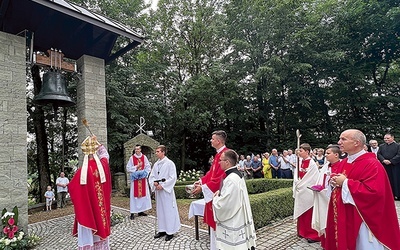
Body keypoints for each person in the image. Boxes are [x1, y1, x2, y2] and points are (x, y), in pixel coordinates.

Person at [325, 129, 400, 250]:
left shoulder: (372, 164)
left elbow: (374, 193)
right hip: (344, 213)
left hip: (362, 218)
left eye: (343, 139)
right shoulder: (344, 161)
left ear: (357, 143)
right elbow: (339, 181)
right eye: (340, 139)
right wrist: (334, 181)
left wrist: (345, 183)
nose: (339, 142)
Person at [69, 135, 112, 249]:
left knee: (89, 223)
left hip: (88, 209)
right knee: (100, 223)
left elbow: (72, 188)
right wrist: (98, 143)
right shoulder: (103, 166)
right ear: (95, 152)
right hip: (100, 207)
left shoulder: (81, 172)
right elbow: (105, 155)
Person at [192, 130, 229, 250]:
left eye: (212, 139)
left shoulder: (225, 155)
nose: (210, 141)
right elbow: (211, 173)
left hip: (220, 194)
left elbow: (220, 178)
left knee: (220, 226)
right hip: (213, 193)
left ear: (218, 141)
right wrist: (202, 181)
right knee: (215, 228)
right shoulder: (218, 154)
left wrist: (202, 188)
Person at [213, 149, 256, 250]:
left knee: (233, 246)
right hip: (239, 213)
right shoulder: (236, 175)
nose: (219, 163)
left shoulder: (231, 179)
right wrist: (220, 193)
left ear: (227, 162)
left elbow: (225, 205)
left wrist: (215, 198)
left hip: (234, 219)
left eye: (220, 160)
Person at [311, 144, 341, 249]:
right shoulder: (326, 166)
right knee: (324, 220)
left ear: (336, 154)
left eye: (328, 153)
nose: (325, 156)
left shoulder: (342, 165)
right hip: (323, 198)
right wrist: (318, 188)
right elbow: (321, 179)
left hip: (335, 199)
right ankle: (325, 243)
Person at [149, 145, 181, 241]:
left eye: (158, 151)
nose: (156, 153)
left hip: (166, 192)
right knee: (160, 210)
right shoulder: (156, 164)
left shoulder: (170, 163)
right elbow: (152, 176)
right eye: (156, 151)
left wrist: (162, 185)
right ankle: (162, 229)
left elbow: (173, 177)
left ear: (163, 152)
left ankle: (170, 231)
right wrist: (154, 183)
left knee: (168, 210)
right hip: (159, 192)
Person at [292, 143, 320, 243]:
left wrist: (302, 184)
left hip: (307, 192)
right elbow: (297, 175)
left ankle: (313, 234)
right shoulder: (300, 162)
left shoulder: (312, 163)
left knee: (309, 213)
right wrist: (297, 182)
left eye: (301, 151)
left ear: (307, 152)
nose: (299, 152)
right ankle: (302, 232)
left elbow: (312, 178)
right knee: (302, 212)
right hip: (301, 190)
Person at [126, 145, 151, 220]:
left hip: (142, 179)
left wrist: (145, 173)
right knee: (134, 196)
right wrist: (136, 167)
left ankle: (141, 211)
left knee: (143, 195)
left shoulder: (144, 157)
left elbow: (148, 167)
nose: (137, 150)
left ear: (140, 150)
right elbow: (128, 168)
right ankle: (133, 212)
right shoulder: (131, 158)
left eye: (138, 149)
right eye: (136, 149)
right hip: (135, 179)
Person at [377, 133, 400, 200]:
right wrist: (383, 160)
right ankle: (388, 194)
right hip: (384, 165)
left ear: (392, 138)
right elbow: (379, 154)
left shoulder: (398, 146)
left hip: (395, 166)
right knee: (386, 180)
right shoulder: (381, 146)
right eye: (385, 138)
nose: (386, 140)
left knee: (396, 180)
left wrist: (391, 161)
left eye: (388, 138)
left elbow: (399, 155)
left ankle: (397, 194)